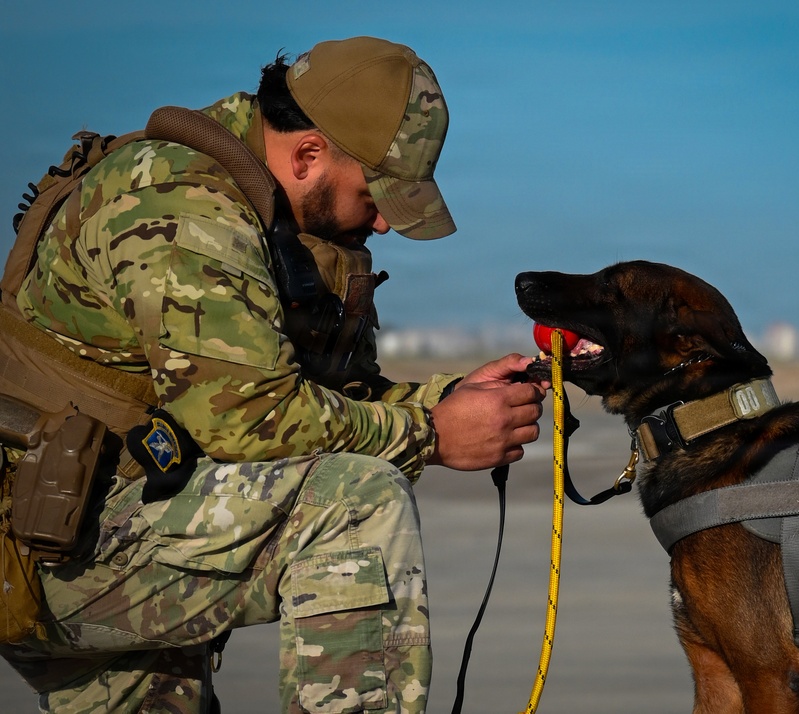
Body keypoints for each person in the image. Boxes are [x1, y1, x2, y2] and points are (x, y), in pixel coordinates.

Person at [0, 36, 546, 713]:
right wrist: (432, 433)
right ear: (308, 154)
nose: (380, 221)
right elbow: (251, 420)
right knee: (352, 503)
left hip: (93, 522)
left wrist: (454, 401)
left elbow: (301, 398)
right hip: (51, 547)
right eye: (372, 194)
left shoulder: (255, 207)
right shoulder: (181, 205)